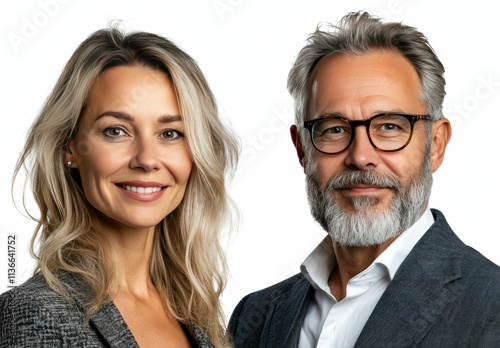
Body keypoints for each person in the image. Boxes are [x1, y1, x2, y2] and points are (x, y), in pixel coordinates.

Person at [228, 11, 500, 348]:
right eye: (334, 129)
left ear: (436, 145)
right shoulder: (254, 318)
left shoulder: (492, 308)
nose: (359, 156)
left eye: (389, 126)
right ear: (302, 149)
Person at [0, 27, 239, 348]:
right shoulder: (33, 314)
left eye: (170, 133)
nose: (147, 159)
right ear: (68, 147)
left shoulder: (196, 313)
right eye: (116, 131)